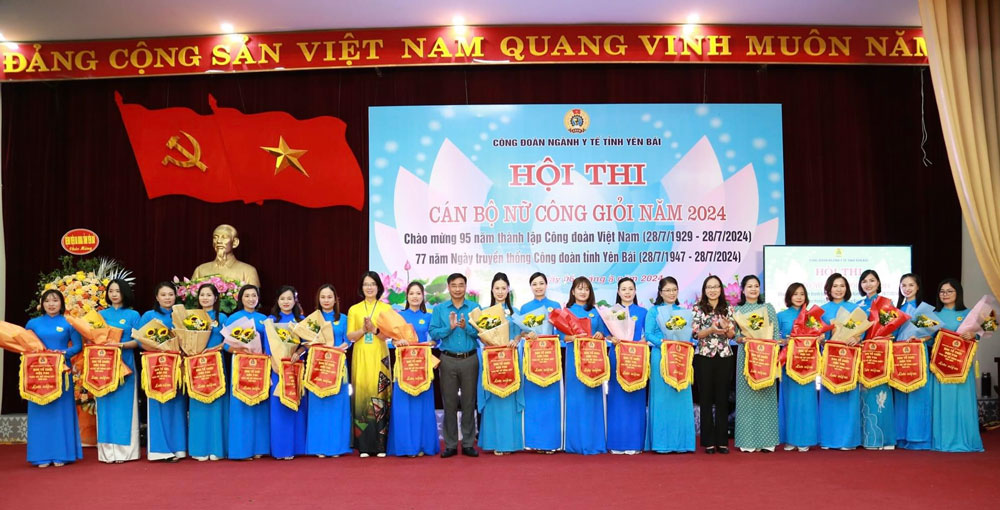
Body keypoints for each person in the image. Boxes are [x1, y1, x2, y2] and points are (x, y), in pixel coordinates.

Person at [24, 289, 83, 467]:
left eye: (55, 300)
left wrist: (62, 353)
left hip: (61, 372)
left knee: (60, 413)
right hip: (38, 375)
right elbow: (25, 346)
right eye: (47, 301)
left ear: (61, 303)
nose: (51, 304)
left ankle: (62, 454)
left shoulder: (68, 322)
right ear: (42, 304)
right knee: (40, 412)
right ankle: (40, 455)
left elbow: (78, 346)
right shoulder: (32, 323)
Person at [429, 273, 481, 458]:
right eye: (454, 285)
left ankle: (468, 443)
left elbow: (481, 333)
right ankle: (450, 444)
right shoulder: (440, 309)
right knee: (449, 402)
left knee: (469, 402)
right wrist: (449, 328)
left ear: (466, 287)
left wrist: (467, 327)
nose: (458, 288)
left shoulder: (474, 307)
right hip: (448, 359)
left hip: (470, 359)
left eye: (461, 285)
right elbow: (434, 333)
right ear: (448, 288)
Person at [386, 282, 440, 457]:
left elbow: (435, 340)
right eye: (412, 293)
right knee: (404, 407)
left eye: (418, 293)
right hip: (404, 368)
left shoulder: (429, 317)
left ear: (423, 296)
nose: (415, 296)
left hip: (423, 368)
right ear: (406, 296)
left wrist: (432, 343)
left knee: (422, 407)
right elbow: (392, 340)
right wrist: (396, 342)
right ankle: (406, 447)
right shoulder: (398, 317)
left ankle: (424, 445)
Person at [930, 278, 983, 452]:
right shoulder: (932, 315)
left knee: (962, 403)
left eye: (949, 291)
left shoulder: (970, 314)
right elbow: (928, 338)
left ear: (958, 293)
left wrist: (974, 336)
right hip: (940, 368)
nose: (945, 294)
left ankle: (967, 441)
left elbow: (981, 332)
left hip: (962, 368)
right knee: (944, 404)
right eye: (942, 291)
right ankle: (943, 442)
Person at [643, 277, 695, 453]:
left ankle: (682, 443)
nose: (671, 293)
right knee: (662, 399)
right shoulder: (654, 312)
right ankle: (661, 443)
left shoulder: (684, 312)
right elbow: (649, 334)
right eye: (667, 290)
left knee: (680, 397)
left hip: (680, 358)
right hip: (661, 357)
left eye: (674, 290)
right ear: (660, 293)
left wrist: (689, 340)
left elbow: (689, 335)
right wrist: (664, 343)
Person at [138, 282, 188, 461]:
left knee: (177, 405)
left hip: (178, 366)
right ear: (157, 297)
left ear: (176, 296)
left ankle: (179, 448)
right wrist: (160, 350)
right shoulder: (149, 316)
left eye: (171, 294)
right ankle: (160, 450)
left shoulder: (182, 315)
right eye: (164, 295)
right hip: (158, 367)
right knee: (159, 405)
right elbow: (139, 340)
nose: (167, 298)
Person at [346, 271, 394, 457]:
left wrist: (374, 330)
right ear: (361, 287)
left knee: (380, 396)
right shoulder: (354, 309)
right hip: (361, 355)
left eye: (373, 284)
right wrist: (362, 329)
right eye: (366, 284)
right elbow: (350, 336)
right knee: (361, 396)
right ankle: (364, 446)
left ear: (378, 287)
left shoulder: (386, 309)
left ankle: (380, 445)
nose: (369, 287)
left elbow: (388, 335)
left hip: (380, 356)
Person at [477, 272, 524, 455]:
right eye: (497, 288)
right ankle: (494, 442)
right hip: (492, 362)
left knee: (509, 401)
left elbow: (522, 333)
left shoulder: (516, 313)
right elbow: (481, 336)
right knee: (494, 401)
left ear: (508, 290)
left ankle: (510, 443)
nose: (500, 291)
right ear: (491, 290)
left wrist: (517, 339)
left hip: (511, 362)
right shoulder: (484, 312)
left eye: (503, 288)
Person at [733, 275, 780, 452]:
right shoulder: (737, 310)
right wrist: (742, 338)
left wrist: (773, 350)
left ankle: (767, 441)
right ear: (743, 290)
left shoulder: (767, 308)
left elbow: (775, 332)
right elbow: (735, 335)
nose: (753, 289)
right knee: (747, 397)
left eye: (756, 286)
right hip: (746, 356)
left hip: (766, 357)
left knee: (766, 395)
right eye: (749, 286)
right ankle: (748, 442)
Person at [562, 276, 608, 455]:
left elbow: (603, 334)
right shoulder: (566, 311)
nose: (583, 292)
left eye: (586, 289)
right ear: (573, 291)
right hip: (574, 360)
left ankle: (594, 443)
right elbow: (560, 336)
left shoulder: (596, 312)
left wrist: (599, 335)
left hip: (594, 361)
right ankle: (575, 444)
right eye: (579, 288)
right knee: (576, 399)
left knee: (592, 399)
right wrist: (573, 338)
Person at [96, 279, 141, 463]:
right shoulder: (100, 315)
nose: (114, 294)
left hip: (126, 366)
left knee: (124, 408)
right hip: (103, 368)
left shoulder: (132, 315)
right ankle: (107, 453)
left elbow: (138, 341)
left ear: (125, 293)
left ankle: (125, 452)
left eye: (118, 291)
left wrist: (120, 344)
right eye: (111, 291)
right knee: (105, 407)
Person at [305, 284, 352, 458]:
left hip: (338, 365)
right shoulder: (312, 319)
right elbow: (306, 341)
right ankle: (318, 446)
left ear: (335, 299)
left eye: (329, 297)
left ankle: (337, 447)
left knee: (337, 405)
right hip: (318, 367)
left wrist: (341, 347)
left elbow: (349, 340)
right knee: (319, 405)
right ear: (318, 299)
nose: (326, 300)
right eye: (323, 297)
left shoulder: (344, 318)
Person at [518, 272, 563, 453]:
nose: (538, 287)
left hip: (551, 359)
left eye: (541, 283)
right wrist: (527, 335)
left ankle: (551, 442)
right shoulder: (525, 307)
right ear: (530, 287)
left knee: (550, 401)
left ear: (546, 285)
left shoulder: (555, 306)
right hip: (533, 360)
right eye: (535, 284)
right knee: (533, 400)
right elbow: (521, 333)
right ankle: (533, 441)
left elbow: (561, 330)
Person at [692, 275, 736, 454]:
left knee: (722, 398)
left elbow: (732, 335)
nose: (713, 290)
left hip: (724, 356)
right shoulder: (697, 309)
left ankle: (722, 441)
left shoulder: (728, 308)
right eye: (709, 287)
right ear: (704, 290)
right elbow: (695, 335)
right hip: (704, 356)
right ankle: (708, 441)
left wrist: (727, 328)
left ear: (721, 289)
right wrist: (710, 329)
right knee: (706, 398)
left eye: (716, 286)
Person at [225, 284, 270, 460]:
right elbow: (227, 345)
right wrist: (239, 350)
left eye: (254, 296)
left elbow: (269, 343)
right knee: (241, 406)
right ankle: (241, 449)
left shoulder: (263, 319)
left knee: (259, 405)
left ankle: (259, 447)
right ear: (240, 298)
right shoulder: (233, 318)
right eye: (247, 296)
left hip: (259, 366)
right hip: (241, 366)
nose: (251, 299)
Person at [819, 273, 862, 450]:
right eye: (835, 286)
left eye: (842, 285)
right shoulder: (821, 310)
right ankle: (828, 439)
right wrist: (821, 338)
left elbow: (863, 331)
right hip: (830, 360)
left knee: (849, 397)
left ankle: (848, 440)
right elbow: (819, 333)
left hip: (850, 360)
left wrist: (857, 337)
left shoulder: (856, 309)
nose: (838, 289)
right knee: (829, 397)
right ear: (828, 289)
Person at [855, 269, 895, 450]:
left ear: (878, 283)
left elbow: (892, 328)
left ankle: (886, 439)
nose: (868, 284)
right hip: (864, 354)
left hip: (880, 354)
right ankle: (870, 439)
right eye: (864, 281)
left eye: (872, 280)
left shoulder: (887, 303)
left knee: (882, 395)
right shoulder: (858, 305)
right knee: (865, 393)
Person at [607, 277, 647, 454]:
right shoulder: (610, 312)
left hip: (636, 358)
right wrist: (612, 339)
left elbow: (648, 334)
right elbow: (605, 335)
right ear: (618, 292)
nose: (627, 292)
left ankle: (634, 443)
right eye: (624, 289)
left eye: (631, 289)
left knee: (635, 398)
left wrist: (641, 342)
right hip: (616, 357)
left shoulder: (644, 312)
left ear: (635, 291)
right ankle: (617, 443)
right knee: (617, 398)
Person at [187, 283, 227, 461]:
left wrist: (215, 349)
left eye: (209, 295)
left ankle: (217, 448)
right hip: (197, 365)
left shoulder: (223, 317)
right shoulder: (191, 317)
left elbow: (228, 340)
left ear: (216, 298)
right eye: (202, 295)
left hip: (216, 364)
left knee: (217, 406)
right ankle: (199, 448)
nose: (205, 298)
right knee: (198, 404)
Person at [267, 285, 308, 459]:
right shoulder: (270, 320)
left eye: (289, 299)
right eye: (283, 298)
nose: (286, 302)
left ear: (295, 300)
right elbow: (267, 344)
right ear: (277, 300)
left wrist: (298, 353)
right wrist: (273, 362)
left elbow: (307, 343)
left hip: (295, 367)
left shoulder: (302, 320)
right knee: (278, 407)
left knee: (296, 405)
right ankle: (280, 449)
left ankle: (297, 448)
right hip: (276, 369)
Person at [776, 283, 817, 452]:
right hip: (788, 365)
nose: (799, 297)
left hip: (807, 365)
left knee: (806, 402)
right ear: (789, 297)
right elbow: (775, 339)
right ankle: (790, 439)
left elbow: (819, 336)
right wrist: (784, 341)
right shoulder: (781, 315)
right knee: (789, 401)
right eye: (795, 294)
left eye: (802, 294)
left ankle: (805, 439)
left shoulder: (811, 317)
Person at [894, 273, 931, 450]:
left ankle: (919, 437)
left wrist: (923, 339)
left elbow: (932, 336)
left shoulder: (925, 310)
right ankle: (901, 436)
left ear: (917, 287)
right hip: (900, 355)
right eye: (903, 285)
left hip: (918, 353)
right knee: (901, 394)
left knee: (918, 394)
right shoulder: (896, 310)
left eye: (910, 285)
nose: (907, 288)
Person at [191, 224, 260, 286]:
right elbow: (191, 298)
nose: (219, 241)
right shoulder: (200, 270)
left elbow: (253, 298)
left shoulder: (248, 271)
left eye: (224, 237)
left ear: (235, 242)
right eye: (215, 237)